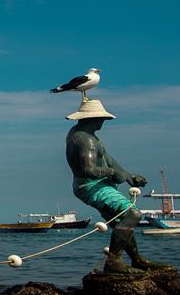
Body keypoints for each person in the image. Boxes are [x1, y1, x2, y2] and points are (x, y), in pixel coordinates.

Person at [65, 99, 169, 274]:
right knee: (132, 213)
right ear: (94, 118)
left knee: (121, 221)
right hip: (91, 186)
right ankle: (114, 261)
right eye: (101, 118)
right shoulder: (86, 140)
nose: (103, 122)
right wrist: (113, 173)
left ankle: (137, 260)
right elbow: (89, 169)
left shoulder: (84, 135)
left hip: (94, 185)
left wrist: (128, 176)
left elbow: (108, 158)